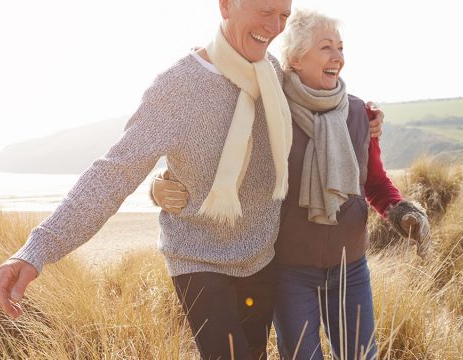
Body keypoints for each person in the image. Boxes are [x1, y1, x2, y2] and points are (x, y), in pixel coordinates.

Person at [0, 1, 296, 359]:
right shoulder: (178, 87)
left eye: (284, 15)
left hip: (260, 254)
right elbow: (114, 173)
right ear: (226, 6)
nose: (275, 26)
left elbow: (317, 107)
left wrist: (365, 122)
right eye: (266, 11)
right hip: (197, 257)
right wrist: (37, 250)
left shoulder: (273, 73)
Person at [150, 9, 431, 360]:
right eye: (326, 48)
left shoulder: (359, 113)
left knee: (361, 356)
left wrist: (400, 211)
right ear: (295, 59)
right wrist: (161, 184)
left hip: (351, 268)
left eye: (341, 48)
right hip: (289, 272)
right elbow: (222, 161)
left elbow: (373, 183)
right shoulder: (270, 109)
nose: (337, 57)